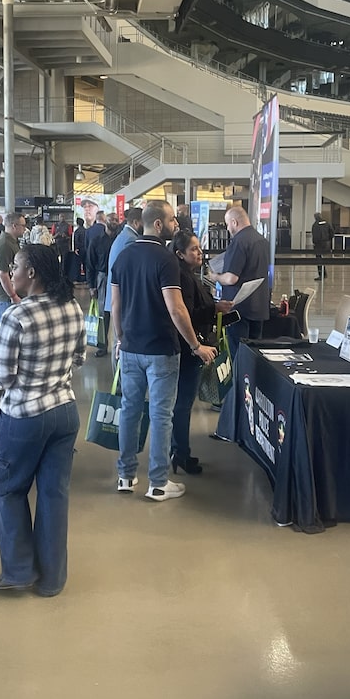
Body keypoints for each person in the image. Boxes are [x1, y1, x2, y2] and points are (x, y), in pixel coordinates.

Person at [0, 243, 86, 596]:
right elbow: (79, 359)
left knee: (9, 489)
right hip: (64, 412)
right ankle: (52, 580)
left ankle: (18, 571)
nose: (10, 271)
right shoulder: (73, 307)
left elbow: (5, 378)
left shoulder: (16, 317)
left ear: (30, 273)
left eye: (14, 265)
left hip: (24, 418)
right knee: (54, 495)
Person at [110, 200, 217, 501]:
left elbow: (116, 305)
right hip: (161, 350)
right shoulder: (166, 260)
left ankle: (125, 476)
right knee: (160, 414)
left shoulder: (123, 256)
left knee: (130, 411)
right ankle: (158, 482)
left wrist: (121, 338)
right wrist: (195, 346)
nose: (176, 225)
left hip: (130, 348)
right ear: (158, 224)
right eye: (172, 220)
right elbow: (176, 308)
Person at [170, 230, 233, 475]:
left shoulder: (191, 275)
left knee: (183, 402)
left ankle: (179, 450)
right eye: (193, 249)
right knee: (183, 403)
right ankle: (180, 452)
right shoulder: (183, 278)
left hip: (192, 346)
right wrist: (214, 309)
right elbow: (188, 314)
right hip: (189, 349)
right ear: (180, 254)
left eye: (199, 248)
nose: (199, 253)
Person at [208, 205, 269, 359]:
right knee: (255, 355)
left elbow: (231, 278)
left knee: (239, 357)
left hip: (238, 309)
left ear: (234, 222)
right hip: (259, 306)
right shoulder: (261, 240)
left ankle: (239, 384)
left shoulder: (239, 242)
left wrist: (215, 277)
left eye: (227, 224)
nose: (227, 228)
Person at [104, 207, 143, 361]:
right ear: (135, 222)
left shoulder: (122, 236)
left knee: (117, 341)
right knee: (120, 342)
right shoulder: (130, 240)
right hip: (122, 299)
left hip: (115, 298)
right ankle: (120, 382)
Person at [86, 214, 114, 356]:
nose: (114, 222)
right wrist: (91, 285)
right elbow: (90, 264)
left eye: (116, 220)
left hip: (118, 277)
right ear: (105, 222)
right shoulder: (96, 241)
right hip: (102, 277)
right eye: (111, 220)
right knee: (103, 314)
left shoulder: (119, 240)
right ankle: (102, 346)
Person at [0, 212, 27, 321]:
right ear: (14, 226)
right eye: (23, 226)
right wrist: (13, 296)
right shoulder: (4, 245)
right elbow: (3, 274)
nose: (25, 229)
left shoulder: (12, 242)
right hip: (5, 298)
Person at [311, 211, 333, 279]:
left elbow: (315, 236)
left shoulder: (315, 225)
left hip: (318, 244)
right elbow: (332, 232)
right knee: (324, 259)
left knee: (319, 260)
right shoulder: (327, 223)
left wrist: (314, 243)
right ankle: (324, 274)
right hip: (326, 243)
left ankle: (321, 275)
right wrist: (328, 239)